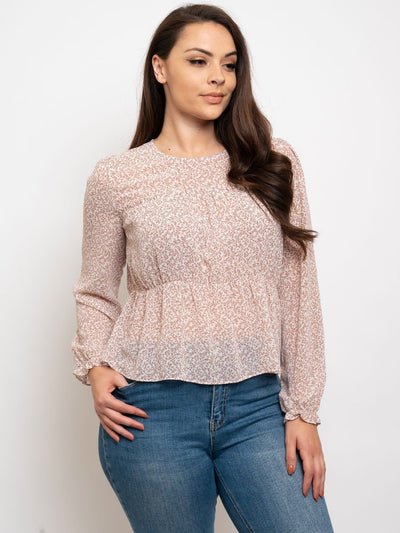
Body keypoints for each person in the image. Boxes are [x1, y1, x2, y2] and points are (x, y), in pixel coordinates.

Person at [71, 4, 335, 532]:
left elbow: (298, 288)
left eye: (229, 64)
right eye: (199, 61)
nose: (219, 77)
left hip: (258, 408)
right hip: (150, 411)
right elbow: (96, 292)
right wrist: (96, 366)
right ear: (160, 68)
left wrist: (304, 410)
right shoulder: (117, 177)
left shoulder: (273, 162)